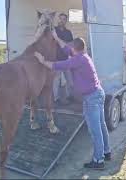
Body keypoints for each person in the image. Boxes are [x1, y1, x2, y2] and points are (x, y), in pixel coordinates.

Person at [34, 31, 111, 169]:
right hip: (97, 93)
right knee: (101, 125)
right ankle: (106, 151)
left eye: (72, 48)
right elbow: (66, 48)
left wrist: (42, 61)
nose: (70, 49)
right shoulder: (83, 55)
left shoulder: (78, 60)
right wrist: (57, 38)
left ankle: (98, 161)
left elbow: (57, 65)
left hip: (92, 98)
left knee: (95, 130)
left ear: (75, 49)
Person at [53, 13, 74, 105]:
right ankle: (56, 98)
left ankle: (69, 96)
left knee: (69, 79)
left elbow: (70, 44)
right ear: (58, 19)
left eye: (64, 19)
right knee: (56, 80)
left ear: (66, 21)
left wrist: (60, 42)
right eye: (60, 19)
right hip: (56, 59)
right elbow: (51, 42)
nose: (61, 21)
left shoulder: (68, 32)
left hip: (66, 59)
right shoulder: (54, 30)